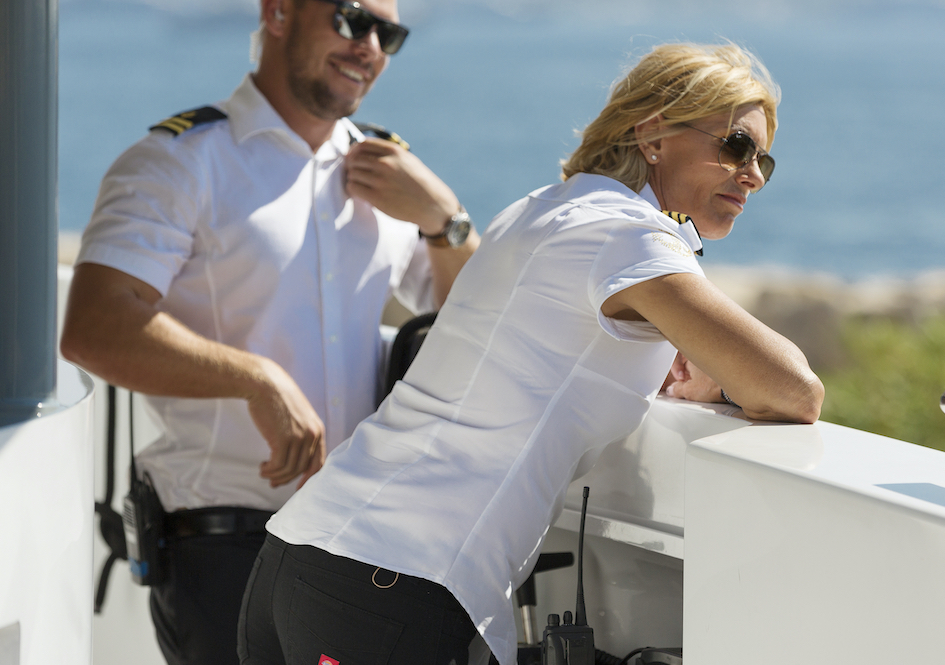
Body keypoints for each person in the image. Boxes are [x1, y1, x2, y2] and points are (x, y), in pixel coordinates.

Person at [237, 42, 825, 665]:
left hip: (296, 556)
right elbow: (794, 389)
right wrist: (724, 376)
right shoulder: (631, 236)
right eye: (735, 145)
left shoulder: (542, 208)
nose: (753, 174)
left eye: (764, 159)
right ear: (653, 133)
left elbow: (543, 352)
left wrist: (699, 357)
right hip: (392, 587)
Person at [59, 0, 479, 665]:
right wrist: (257, 378)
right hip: (223, 545)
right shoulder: (180, 163)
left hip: (347, 544)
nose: (371, 49)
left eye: (390, 33)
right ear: (278, 11)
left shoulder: (387, 174)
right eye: (353, 21)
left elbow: (472, 323)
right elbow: (95, 327)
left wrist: (445, 221)